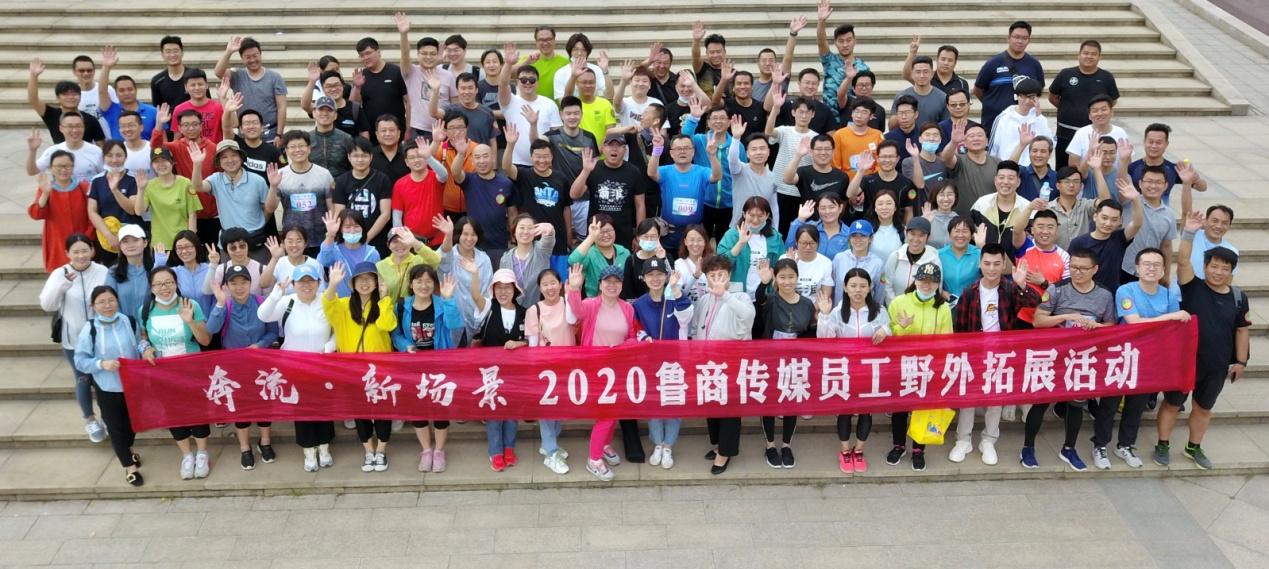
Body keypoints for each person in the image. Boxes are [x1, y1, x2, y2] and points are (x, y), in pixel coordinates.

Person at [1154, 213, 1249, 469]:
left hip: (1216, 365)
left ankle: (1193, 447)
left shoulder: (1238, 298)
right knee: (1173, 403)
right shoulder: (1192, 286)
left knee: (1204, 408)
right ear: (1205, 267)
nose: (1218, 272)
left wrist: (1241, 362)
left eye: (1225, 269)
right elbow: (1183, 261)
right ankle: (1162, 444)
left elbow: (1242, 330)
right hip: (1186, 361)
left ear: (1232, 271)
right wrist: (1188, 233)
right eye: (1214, 267)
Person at [1089, 248, 1186, 470]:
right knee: (1110, 403)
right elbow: (1134, 322)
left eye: (1157, 265)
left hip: (1151, 358)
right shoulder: (1126, 290)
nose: (1151, 268)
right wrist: (1170, 316)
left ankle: (1125, 445)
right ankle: (1100, 445)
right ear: (1137, 268)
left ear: (1163, 269)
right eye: (1147, 264)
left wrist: (1168, 320)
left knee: (1137, 405)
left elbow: (1173, 328)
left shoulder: (1169, 294)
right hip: (1123, 355)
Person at [1022, 248, 1117, 470]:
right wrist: (1066, 317)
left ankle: (1069, 448)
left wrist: (1097, 326)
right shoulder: (1057, 289)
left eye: (1083, 268)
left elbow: (1112, 325)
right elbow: (1038, 320)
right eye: (1073, 267)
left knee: (1076, 404)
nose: (1077, 272)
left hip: (1084, 357)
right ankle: (1028, 447)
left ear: (1095, 269)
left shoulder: (1104, 295)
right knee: (1041, 402)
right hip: (1055, 354)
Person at [949, 245, 1036, 464]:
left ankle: (988, 440)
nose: (992, 268)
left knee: (995, 399)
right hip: (974, 354)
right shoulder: (970, 292)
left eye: (997, 264)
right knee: (968, 399)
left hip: (1002, 354)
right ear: (980, 264)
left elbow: (1034, 301)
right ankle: (963, 439)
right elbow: (960, 328)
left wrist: (1022, 284)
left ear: (1003, 265)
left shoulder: (1010, 289)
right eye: (987, 263)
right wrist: (961, 356)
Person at [259, 264, 336, 472]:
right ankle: (309, 450)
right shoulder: (287, 302)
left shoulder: (327, 300)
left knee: (323, 407)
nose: (307, 285)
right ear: (294, 284)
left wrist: (331, 345)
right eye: (301, 281)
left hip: (322, 365)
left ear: (319, 283)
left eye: (311, 281)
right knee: (302, 409)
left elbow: (338, 327)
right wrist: (276, 294)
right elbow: (263, 315)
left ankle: (324, 447)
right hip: (295, 366)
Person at [139, 267, 213, 479]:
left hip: (191, 370)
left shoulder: (190, 305)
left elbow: (205, 340)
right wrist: (145, 349)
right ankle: (187, 455)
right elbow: (143, 337)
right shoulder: (145, 309)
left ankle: (202, 453)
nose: (164, 288)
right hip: (162, 373)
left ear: (176, 283)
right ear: (152, 288)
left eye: (169, 282)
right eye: (159, 284)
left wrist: (190, 321)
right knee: (173, 413)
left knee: (197, 411)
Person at [324, 261, 398, 472]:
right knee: (360, 412)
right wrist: (332, 284)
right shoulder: (344, 305)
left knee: (382, 411)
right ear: (353, 283)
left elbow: (387, 324)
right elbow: (328, 306)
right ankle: (368, 450)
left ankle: (381, 450)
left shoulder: (383, 303)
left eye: (370, 278)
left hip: (380, 369)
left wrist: (384, 299)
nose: (365, 283)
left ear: (376, 282)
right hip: (353, 369)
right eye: (360, 279)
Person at [565, 264, 637, 481]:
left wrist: (625, 347)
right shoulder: (591, 304)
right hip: (595, 369)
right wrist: (574, 289)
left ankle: (604, 444)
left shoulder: (627, 308)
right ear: (600, 284)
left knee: (613, 412)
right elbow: (576, 311)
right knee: (606, 414)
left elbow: (631, 336)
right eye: (608, 281)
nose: (612, 285)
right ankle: (594, 459)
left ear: (622, 285)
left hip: (618, 368)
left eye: (616, 282)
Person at [205, 264, 279, 470]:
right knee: (240, 406)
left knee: (264, 402)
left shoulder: (262, 303)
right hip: (234, 367)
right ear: (227, 286)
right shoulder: (225, 305)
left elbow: (273, 332)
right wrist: (220, 303)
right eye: (233, 283)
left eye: (243, 282)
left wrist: (260, 345)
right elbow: (211, 329)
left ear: (250, 283)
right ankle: (245, 448)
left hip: (260, 364)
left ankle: (265, 441)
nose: (239, 287)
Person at [817, 268, 889, 473]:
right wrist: (824, 315)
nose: (858, 290)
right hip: (845, 370)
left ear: (870, 288)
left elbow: (889, 329)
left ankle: (859, 450)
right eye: (853, 286)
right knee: (845, 411)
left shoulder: (879, 311)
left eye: (863, 286)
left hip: (870, 370)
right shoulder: (837, 312)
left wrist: (886, 330)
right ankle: (845, 451)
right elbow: (825, 338)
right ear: (845, 288)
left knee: (866, 411)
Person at [390, 264, 460, 473]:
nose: (423, 285)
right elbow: (395, 334)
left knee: (440, 409)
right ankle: (426, 450)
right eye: (419, 281)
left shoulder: (442, 304)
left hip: (439, 366)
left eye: (428, 281)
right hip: (413, 367)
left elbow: (454, 325)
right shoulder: (402, 306)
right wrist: (405, 345)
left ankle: (439, 451)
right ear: (411, 284)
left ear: (434, 284)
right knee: (417, 410)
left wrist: (448, 299)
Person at [41, 234, 110, 442]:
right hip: (74, 340)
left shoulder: (103, 271)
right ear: (67, 253)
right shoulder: (60, 273)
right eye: (76, 252)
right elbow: (47, 305)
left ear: (92, 251)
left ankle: (108, 418)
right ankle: (90, 420)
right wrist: (62, 285)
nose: (81, 256)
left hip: (101, 338)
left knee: (104, 379)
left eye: (85, 251)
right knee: (83, 379)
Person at [73, 285, 144, 485]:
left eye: (111, 300)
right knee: (115, 428)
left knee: (131, 425)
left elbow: (138, 343)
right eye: (101, 302)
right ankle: (129, 466)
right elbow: (80, 360)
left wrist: (146, 349)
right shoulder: (90, 329)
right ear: (93, 306)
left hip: (132, 384)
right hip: (107, 387)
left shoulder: (129, 321)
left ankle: (128, 449)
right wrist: (101, 364)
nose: (107, 305)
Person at [691, 256, 756, 475]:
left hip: (732, 363)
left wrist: (725, 295)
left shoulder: (740, 296)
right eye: (712, 275)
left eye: (721, 275)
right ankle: (718, 444)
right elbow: (695, 327)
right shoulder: (704, 299)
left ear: (729, 276)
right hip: (707, 362)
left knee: (729, 408)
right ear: (706, 277)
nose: (717, 279)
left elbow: (748, 316)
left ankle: (725, 452)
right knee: (712, 404)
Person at [886, 263, 952, 471]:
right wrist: (903, 327)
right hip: (902, 365)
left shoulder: (942, 308)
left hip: (928, 367)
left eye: (932, 282)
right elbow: (889, 334)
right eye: (923, 280)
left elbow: (947, 340)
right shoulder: (899, 302)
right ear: (915, 280)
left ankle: (918, 449)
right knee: (900, 409)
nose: (927, 285)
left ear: (938, 284)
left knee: (923, 409)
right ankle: (898, 445)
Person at [754, 258, 817, 468]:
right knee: (769, 401)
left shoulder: (806, 304)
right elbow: (759, 299)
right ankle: (770, 445)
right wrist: (763, 283)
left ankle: (787, 445)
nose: (787, 281)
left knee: (792, 400)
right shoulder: (771, 300)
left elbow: (811, 331)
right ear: (776, 278)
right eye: (782, 277)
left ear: (797, 277)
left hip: (795, 360)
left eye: (791, 277)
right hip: (770, 359)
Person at [631, 258, 692, 469]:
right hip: (650, 364)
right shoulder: (639, 304)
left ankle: (668, 446)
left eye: (659, 274)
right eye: (650, 275)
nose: (655, 279)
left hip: (676, 363)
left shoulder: (676, 298)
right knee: (654, 406)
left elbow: (687, 316)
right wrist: (643, 338)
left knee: (673, 405)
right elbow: (634, 329)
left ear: (666, 276)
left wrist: (675, 290)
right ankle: (657, 443)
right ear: (644, 278)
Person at [523, 267, 576, 474]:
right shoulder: (533, 310)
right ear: (539, 288)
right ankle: (551, 452)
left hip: (568, 367)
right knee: (547, 411)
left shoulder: (568, 304)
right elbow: (532, 344)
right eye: (545, 284)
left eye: (553, 283)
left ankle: (548, 444)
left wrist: (571, 294)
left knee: (560, 409)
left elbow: (573, 320)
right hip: (545, 371)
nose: (550, 288)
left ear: (560, 284)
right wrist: (534, 372)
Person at [506, 134, 574, 276]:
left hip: (558, 241)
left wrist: (568, 234)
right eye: (538, 156)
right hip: (531, 242)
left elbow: (566, 208)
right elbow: (506, 167)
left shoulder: (561, 178)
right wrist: (510, 144)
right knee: (533, 281)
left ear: (552, 157)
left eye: (546, 156)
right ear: (531, 157)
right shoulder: (524, 175)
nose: (542, 160)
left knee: (559, 281)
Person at [150, 106, 218, 245]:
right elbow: (156, 148)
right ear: (179, 128)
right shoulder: (176, 146)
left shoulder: (212, 147)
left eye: (195, 124)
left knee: (212, 252)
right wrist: (159, 125)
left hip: (211, 213)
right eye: (186, 125)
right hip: (187, 213)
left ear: (201, 125)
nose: (191, 128)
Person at [1049, 40, 1120, 166]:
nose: (1089, 56)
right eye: (1086, 53)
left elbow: (1112, 101)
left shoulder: (1106, 77)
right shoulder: (1065, 74)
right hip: (1066, 134)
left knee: (1093, 168)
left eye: (1093, 54)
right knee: (1064, 170)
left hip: (1094, 135)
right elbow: (1052, 96)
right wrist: (1068, 108)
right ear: (1079, 55)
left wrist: (1097, 114)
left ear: (1099, 57)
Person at [267, 131, 335, 255]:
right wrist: (273, 186)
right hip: (293, 241)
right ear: (286, 151)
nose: (297, 150)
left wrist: (331, 234)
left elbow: (332, 208)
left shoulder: (324, 174)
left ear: (309, 148)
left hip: (320, 239)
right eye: (292, 147)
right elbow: (270, 208)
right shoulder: (280, 175)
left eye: (301, 146)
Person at [649, 131, 721, 249]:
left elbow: (717, 176)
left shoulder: (702, 171)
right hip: (669, 231)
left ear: (693, 152)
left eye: (686, 148)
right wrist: (657, 150)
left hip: (693, 232)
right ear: (671, 153)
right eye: (678, 148)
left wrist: (712, 156)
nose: (682, 151)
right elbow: (651, 173)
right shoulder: (665, 171)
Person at [198, 140, 270, 257]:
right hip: (228, 243)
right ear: (219, 161)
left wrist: (259, 224)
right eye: (224, 157)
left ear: (241, 158)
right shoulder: (216, 179)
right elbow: (198, 186)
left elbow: (267, 208)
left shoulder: (258, 180)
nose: (230, 160)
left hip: (255, 241)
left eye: (234, 155)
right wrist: (197, 165)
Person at [450, 139, 515, 266]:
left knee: (497, 277)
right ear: (473, 161)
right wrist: (461, 154)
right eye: (477, 157)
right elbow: (456, 173)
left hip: (498, 244)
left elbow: (512, 213)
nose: (482, 161)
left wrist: (513, 239)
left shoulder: (506, 183)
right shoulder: (469, 180)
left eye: (485, 156)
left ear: (493, 158)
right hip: (473, 243)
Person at [974, 20, 1044, 137]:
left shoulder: (1034, 65)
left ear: (1029, 40)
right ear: (1009, 38)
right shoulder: (993, 63)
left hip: (1023, 125)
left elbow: (1038, 90)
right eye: (1016, 37)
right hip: (994, 123)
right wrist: (993, 104)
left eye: (1024, 38)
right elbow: (978, 90)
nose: (1020, 41)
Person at [499, 44, 563, 166]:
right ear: (517, 83)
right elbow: (502, 84)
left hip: (544, 164)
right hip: (516, 164)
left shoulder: (549, 104)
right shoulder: (510, 101)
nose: (528, 83)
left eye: (532, 80)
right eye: (523, 80)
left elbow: (558, 136)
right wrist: (508, 64)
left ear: (538, 83)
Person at [764, 91, 818, 236]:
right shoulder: (785, 131)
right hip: (780, 188)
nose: (804, 116)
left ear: (813, 114)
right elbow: (769, 131)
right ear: (793, 113)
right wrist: (776, 107)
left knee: (799, 230)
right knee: (778, 227)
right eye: (800, 112)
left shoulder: (816, 137)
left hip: (802, 191)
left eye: (807, 112)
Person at [215, 36, 288, 143]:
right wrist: (229, 51)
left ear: (260, 54)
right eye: (248, 57)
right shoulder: (237, 75)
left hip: (270, 134)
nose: (253, 60)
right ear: (242, 58)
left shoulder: (274, 77)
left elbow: (282, 107)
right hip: (245, 134)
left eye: (255, 56)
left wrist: (279, 134)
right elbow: (218, 73)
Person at [28, 153, 93, 273]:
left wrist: (86, 239)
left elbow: (92, 216)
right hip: (56, 241)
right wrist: (45, 193)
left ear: (73, 167)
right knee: (60, 275)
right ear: (51, 168)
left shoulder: (83, 187)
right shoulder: (46, 189)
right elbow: (36, 214)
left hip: (82, 240)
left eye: (67, 166)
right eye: (58, 166)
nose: (63, 170)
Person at [436, 216, 493, 344]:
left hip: (477, 324)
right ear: (458, 235)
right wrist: (448, 234)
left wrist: (480, 322)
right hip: (452, 321)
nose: (469, 238)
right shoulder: (451, 255)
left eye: (473, 234)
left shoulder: (484, 259)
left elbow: (487, 294)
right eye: (465, 234)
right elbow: (444, 256)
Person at [334, 137, 395, 256]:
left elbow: (385, 214)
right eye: (356, 156)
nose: (360, 160)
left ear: (371, 157)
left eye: (364, 156)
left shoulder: (382, 179)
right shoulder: (342, 181)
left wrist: (366, 238)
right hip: (349, 240)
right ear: (349, 157)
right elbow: (339, 213)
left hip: (377, 239)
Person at [395, 13, 453, 139]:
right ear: (418, 54)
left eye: (432, 54)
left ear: (438, 55)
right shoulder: (411, 72)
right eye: (424, 53)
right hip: (418, 131)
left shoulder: (448, 76)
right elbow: (405, 54)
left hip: (443, 130)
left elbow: (455, 104)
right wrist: (404, 34)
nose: (428, 57)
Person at [133, 147, 200, 251]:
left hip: (183, 242)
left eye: (164, 160)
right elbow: (139, 211)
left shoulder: (185, 183)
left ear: (172, 162)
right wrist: (140, 189)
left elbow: (192, 214)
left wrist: (190, 240)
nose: (161, 164)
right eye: (156, 162)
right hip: (160, 244)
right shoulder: (149, 185)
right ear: (152, 166)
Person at [27, 60, 107, 144]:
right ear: (58, 98)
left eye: (74, 94)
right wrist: (34, 76)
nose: (70, 97)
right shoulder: (52, 115)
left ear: (80, 97)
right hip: (60, 152)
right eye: (66, 94)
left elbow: (101, 145)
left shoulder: (91, 119)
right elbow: (33, 99)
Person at [815, 0, 869, 124]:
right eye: (841, 41)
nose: (845, 44)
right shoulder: (829, 60)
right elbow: (821, 42)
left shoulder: (863, 67)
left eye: (848, 40)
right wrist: (821, 21)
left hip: (853, 119)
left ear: (855, 41)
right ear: (835, 43)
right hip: (829, 118)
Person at [719, 196, 784, 296]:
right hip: (736, 294)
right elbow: (720, 264)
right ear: (744, 214)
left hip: (764, 294)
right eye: (751, 215)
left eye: (760, 215)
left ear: (767, 216)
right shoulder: (732, 235)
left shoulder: (775, 237)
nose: (755, 220)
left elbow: (780, 265)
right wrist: (740, 243)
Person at [1129, 123, 1207, 205]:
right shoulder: (1132, 168)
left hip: (1162, 212)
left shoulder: (1173, 169)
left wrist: (1196, 179)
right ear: (1144, 142)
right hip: (1136, 211)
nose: (1154, 146)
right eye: (1150, 142)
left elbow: (1202, 188)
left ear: (1166, 144)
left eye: (1159, 143)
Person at [1066, 96, 1129, 196]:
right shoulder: (1081, 133)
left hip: (1115, 185)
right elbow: (1073, 169)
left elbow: (1127, 162)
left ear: (1111, 112)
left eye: (1104, 109)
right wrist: (1090, 152)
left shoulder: (1121, 133)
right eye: (1095, 111)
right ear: (1089, 116)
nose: (1100, 113)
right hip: (1088, 188)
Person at [87, 142, 140, 260]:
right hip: (107, 239)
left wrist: (115, 190)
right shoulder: (97, 180)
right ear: (104, 157)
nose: (114, 160)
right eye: (109, 155)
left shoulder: (134, 179)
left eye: (119, 155)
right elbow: (92, 211)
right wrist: (108, 235)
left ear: (126, 157)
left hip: (131, 237)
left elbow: (132, 209)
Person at [352, 37, 408, 145]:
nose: (365, 57)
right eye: (362, 55)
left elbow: (409, 102)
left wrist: (408, 128)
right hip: (372, 134)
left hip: (395, 132)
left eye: (368, 53)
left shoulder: (395, 72)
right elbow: (353, 105)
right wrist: (357, 87)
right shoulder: (362, 76)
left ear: (378, 52)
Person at [392, 138, 449, 247]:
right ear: (406, 162)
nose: (416, 160)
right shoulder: (399, 184)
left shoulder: (435, 177)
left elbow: (444, 175)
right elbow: (397, 216)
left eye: (420, 156)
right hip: (411, 241)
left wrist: (429, 156)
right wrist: (400, 238)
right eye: (412, 158)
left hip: (437, 240)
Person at [988, 77, 1052, 168]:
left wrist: (1038, 115)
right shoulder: (1003, 118)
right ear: (1017, 96)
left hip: (1032, 170)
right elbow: (993, 149)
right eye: (1023, 96)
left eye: (1031, 97)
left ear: (1037, 98)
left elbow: (1050, 144)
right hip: (1008, 169)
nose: (1027, 101)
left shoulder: (1040, 119)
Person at [96, 46, 158, 141]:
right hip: (119, 150)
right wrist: (106, 67)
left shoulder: (153, 111)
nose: (126, 93)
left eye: (130, 89)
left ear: (136, 90)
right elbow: (102, 91)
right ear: (116, 93)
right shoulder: (111, 110)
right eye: (121, 90)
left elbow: (161, 137)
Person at [728, 119, 780, 228]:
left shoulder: (772, 177)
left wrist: (775, 229)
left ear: (768, 152)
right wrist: (736, 138)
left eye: (762, 148)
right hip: (739, 229)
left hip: (763, 230)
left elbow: (774, 207)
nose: (758, 152)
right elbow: (732, 159)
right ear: (747, 153)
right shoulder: (739, 170)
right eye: (754, 149)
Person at [847, 141, 917, 220]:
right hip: (871, 225)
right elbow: (850, 194)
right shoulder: (868, 180)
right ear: (877, 159)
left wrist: (906, 227)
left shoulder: (907, 183)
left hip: (896, 226)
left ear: (897, 159)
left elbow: (909, 211)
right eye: (883, 157)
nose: (887, 160)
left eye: (891, 157)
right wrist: (861, 171)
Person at [318, 210, 382, 298]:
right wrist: (331, 234)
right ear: (340, 229)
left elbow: (378, 281)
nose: (352, 231)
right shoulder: (334, 250)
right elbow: (322, 260)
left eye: (356, 226)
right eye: (347, 227)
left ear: (362, 228)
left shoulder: (373, 253)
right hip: (340, 302)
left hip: (365, 302)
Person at [941, 121, 999, 216]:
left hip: (991, 218)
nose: (976, 138)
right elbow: (945, 158)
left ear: (987, 141)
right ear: (964, 142)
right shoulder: (959, 161)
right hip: (963, 220)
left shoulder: (997, 162)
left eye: (980, 135)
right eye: (971, 136)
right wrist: (954, 142)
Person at [27, 112, 105, 180]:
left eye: (78, 126)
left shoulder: (96, 151)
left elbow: (105, 176)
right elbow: (32, 171)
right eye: (70, 126)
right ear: (61, 128)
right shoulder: (53, 151)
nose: (74, 130)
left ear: (84, 127)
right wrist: (32, 151)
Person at [500, 214, 557, 307]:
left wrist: (550, 230)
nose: (526, 231)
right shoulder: (505, 259)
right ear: (514, 232)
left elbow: (548, 240)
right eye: (522, 228)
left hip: (538, 307)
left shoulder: (541, 250)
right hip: (513, 308)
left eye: (530, 228)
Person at [881, 216, 941, 303]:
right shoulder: (896, 256)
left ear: (928, 237)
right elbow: (886, 284)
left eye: (921, 235)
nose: (916, 239)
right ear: (906, 233)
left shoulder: (933, 260)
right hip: (895, 307)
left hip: (922, 308)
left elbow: (937, 288)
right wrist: (894, 306)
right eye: (912, 234)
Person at [376, 227, 440, 303]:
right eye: (395, 241)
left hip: (414, 308)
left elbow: (436, 260)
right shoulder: (380, 266)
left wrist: (415, 243)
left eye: (403, 240)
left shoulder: (420, 261)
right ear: (388, 245)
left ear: (410, 243)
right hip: (388, 309)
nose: (400, 245)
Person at [105, 225, 155, 321]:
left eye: (135, 240)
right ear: (120, 246)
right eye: (125, 241)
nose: (131, 245)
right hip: (123, 326)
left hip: (151, 326)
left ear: (145, 243)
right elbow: (110, 301)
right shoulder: (113, 272)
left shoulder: (154, 269)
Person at [831, 219, 885, 305]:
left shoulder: (878, 263)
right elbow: (832, 286)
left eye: (863, 236)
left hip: (866, 311)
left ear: (871, 238)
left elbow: (879, 293)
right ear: (849, 238)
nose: (858, 239)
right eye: (854, 236)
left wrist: (876, 310)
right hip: (839, 311)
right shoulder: (839, 258)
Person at [787, 135, 849, 208]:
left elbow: (844, 202)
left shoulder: (842, 177)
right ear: (811, 152)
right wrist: (798, 155)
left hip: (833, 215)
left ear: (833, 152)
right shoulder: (803, 172)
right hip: (808, 214)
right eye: (819, 149)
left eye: (827, 149)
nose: (823, 153)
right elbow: (788, 180)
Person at [260, 227, 325, 294]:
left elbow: (321, 292)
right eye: (290, 241)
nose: (294, 245)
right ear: (283, 244)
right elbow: (264, 284)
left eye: (298, 241)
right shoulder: (279, 262)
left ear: (305, 244)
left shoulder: (315, 264)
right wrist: (274, 258)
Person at [165, 230, 215, 317]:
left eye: (188, 246)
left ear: (196, 247)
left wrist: (214, 264)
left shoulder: (209, 269)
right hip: (185, 321)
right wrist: (159, 264)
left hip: (210, 320)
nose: (184, 251)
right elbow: (156, 285)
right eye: (179, 248)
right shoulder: (174, 272)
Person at [170, 68, 225, 144]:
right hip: (189, 150)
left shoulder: (218, 107)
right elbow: (177, 139)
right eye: (193, 85)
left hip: (214, 150)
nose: (197, 88)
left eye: (200, 84)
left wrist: (224, 100)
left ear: (206, 85)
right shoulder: (179, 109)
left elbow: (233, 124)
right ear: (186, 87)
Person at [893, 56, 949, 129]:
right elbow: (892, 127)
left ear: (932, 74)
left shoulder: (943, 98)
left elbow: (945, 127)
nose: (922, 76)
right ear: (912, 74)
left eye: (925, 72)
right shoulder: (901, 96)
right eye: (918, 72)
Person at [902, 123, 949, 210]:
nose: (931, 138)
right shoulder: (909, 162)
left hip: (939, 212)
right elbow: (920, 185)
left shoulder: (943, 163)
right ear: (920, 139)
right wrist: (915, 158)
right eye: (927, 135)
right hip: (919, 213)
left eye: (935, 135)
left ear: (940, 140)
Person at [622, 218, 669, 301]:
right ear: (638, 237)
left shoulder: (665, 256)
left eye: (653, 237)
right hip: (638, 305)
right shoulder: (631, 260)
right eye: (645, 236)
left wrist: (663, 259)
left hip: (662, 303)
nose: (649, 240)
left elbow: (671, 281)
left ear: (658, 237)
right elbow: (628, 291)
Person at [937, 215, 981, 302]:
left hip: (972, 304)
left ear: (971, 235)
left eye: (965, 231)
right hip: (946, 304)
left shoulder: (979, 254)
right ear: (949, 234)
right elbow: (931, 280)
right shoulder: (938, 255)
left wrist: (982, 246)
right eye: (956, 231)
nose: (960, 235)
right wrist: (941, 292)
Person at [309, 97, 354, 179]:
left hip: (340, 184)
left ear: (335, 115)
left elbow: (353, 166)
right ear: (314, 113)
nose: (325, 113)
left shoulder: (346, 138)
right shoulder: (306, 139)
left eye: (329, 110)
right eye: (321, 110)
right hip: (313, 184)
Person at [554, 33, 610, 100]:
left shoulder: (596, 69)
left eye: (583, 50)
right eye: (575, 49)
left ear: (587, 52)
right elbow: (563, 102)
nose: (579, 53)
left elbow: (609, 95)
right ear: (570, 51)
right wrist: (573, 77)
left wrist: (605, 71)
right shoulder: (560, 73)